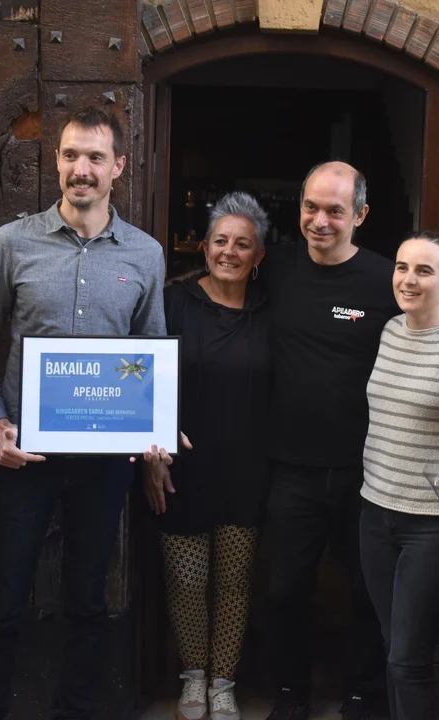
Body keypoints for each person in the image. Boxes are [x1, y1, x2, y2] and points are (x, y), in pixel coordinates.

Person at [0, 106, 166, 720]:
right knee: (4, 598)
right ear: (56, 161)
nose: (83, 169)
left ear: (118, 167)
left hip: (105, 461)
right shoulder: (13, 242)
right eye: (72, 155)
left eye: (95, 157)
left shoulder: (145, 254)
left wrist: (155, 431)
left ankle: (75, 710)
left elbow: (150, 353)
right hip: (24, 454)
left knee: (88, 599)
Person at [260, 161, 398, 720]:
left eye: (335, 211)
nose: (319, 220)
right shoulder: (275, 267)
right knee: (284, 589)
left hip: (366, 471)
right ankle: (290, 693)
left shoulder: (386, 281)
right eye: (311, 207)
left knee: (367, 592)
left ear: (360, 216)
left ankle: (362, 695)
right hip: (290, 468)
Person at [142, 192, 272, 720]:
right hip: (183, 468)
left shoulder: (270, 311)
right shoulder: (173, 302)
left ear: (258, 256)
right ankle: (193, 676)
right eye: (220, 241)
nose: (229, 252)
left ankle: (224, 682)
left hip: (248, 468)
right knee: (187, 581)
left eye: (242, 244)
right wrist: (151, 454)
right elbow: (143, 374)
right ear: (205, 246)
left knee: (235, 584)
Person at [357, 230, 439, 720]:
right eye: (402, 267)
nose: (409, 279)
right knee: (391, 646)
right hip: (375, 512)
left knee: (408, 656)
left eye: (424, 270)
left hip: (431, 522)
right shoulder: (389, 331)